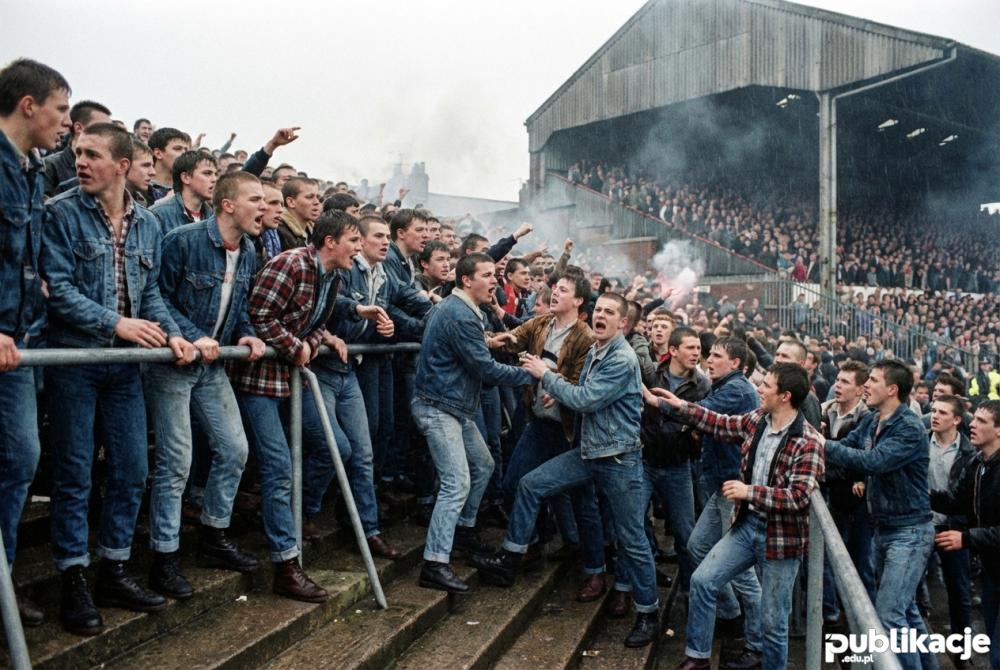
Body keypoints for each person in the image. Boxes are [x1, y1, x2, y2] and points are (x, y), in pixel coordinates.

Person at [41, 122, 196, 635]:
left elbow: (148, 293)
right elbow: (57, 290)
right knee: (75, 471)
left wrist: (171, 333)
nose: (79, 161)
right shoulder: (60, 214)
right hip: (76, 361)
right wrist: (116, 324)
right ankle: (72, 576)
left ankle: (114, 566)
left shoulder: (147, 224)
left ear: (122, 166)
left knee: (132, 468)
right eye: (76, 152)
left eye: (92, 154)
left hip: (126, 367)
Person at [474, 293, 662, 649]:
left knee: (632, 538)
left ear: (623, 323)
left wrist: (547, 377)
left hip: (619, 460)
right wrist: (559, 386)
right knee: (531, 484)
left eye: (610, 313)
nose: (601, 317)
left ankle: (648, 612)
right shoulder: (596, 350)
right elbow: (579, 390)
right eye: (600, 311)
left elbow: (587, 399)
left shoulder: (621, 358)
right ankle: (512, 556)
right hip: (590, 452)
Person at [228, 209, 371, 603]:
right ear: (330, 242)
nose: (358, 249)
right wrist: (297, 348)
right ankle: (286, 564)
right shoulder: (290, 264)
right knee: (277, 465)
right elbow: (258, 315)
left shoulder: (334, 277)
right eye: (353, 241)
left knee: (336, 448)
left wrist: (323, 337)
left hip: (291, 380)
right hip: (260, 380)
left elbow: (308, 321)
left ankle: (295, 515)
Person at [145, 172, 269, 599]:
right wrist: (191, 333)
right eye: (255, 199)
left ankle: (214, 537)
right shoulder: (183, 240)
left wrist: (248, 333)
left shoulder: (250, 250)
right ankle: (164, 556)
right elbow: (154, 295)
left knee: (235, 449)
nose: (264, 208)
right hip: (173, 362)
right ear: (228, 205)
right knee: (177, 460)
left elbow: (239, 308)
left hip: (212, 366)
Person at [656, 363, 823, 670]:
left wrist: (750, 492)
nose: (759, 389)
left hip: (780, 540)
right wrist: (679, 406)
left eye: (767, 386)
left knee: (774, 623)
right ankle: (698, 657)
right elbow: (720, 423)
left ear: (785, 396)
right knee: (703, 581)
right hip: (747, 527)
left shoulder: (808, 441)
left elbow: (798, 496)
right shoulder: (758, 420)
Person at [411, 253, 534, 594]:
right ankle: (434, 563)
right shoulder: (459, 314)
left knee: (483, 464)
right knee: (456, 481)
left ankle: (463, 532)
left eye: (495, 274)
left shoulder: (462, 309)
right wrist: (532, 376)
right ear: (466, 280)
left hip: (454, 405)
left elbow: (471, 351)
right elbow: (486, 370)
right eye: (487, 275)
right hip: (439, 407)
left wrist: (494, 343)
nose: (494, 281)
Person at [0, 57, 72, 629]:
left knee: (22, 458)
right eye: (61, 109)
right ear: (30, 105)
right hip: (3, 338)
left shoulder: (27, 168)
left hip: (20, 342)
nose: (65, 123)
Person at [488, 274, 601, 602]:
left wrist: (556, 384)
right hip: (539, 424)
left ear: (578, 301)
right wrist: (490, 339)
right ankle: (530, 545)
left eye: (563, 291)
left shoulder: (585, 337)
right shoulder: (541, 325)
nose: (555, 295)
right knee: (512, 485)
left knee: (583, 502)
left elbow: (585, 381)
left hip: (570, 430)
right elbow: (513, 338)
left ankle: (594, 570)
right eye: (555, 289)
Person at [823, 360, 938, 670]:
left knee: (889, 617)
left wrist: (821, 444)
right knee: (907, 612)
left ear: (892, 389)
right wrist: (815, 443)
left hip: (909, 533)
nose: (866, 385)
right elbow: (846, 446)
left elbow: (873, 461)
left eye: (872, 380)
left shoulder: (909, 427)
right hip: (885, 529)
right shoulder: (873, 420)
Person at [684, 337, 763, 650]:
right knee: (698, 546)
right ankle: (730, 613)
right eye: (709, 355)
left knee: (744, 575)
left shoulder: (737, 389)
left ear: (735, 364)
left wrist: (663, 404)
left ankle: (757, 639)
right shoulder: (723, 385)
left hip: (734, 489)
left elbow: (701, 413)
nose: (709, 360)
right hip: (721, 486)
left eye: (717, 356)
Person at [624, 326, 709, 605]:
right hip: (645, 463)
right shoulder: (652, 375)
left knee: (686, 535)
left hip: (678, 466)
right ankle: (628, 591)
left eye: (698, 348)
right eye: (690, 347)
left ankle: (688, 590)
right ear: (673, 351)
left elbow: (699, 421)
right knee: (632, 525)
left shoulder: (702, 385)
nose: (696, 353)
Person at [932, 400, 1000, 670]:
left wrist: (966, 538)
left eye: (982, 421)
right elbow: (954, 501)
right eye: (975, 419)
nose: (973, 424)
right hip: (992, 570)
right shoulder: (977, 463)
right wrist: (917, 495)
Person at [819, 360, 875, 625]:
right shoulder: (825, 411)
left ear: (860, 390)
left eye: (844, 382)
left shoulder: (866, 419)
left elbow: (858, 460)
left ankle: (865, 624)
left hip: (856, 503)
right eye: (837, 380)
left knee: (860, 564)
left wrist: (827, 473)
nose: (837, 385)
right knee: (831, 559)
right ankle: (837, 614)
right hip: (833, 497)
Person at [926, 395, 976, 645]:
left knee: (959, 590)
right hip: (923, 525)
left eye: (943, 413)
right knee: (910, 584)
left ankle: (961, 646)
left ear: (957, 419)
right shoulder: (921, 441)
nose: (935, 416)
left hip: (953, 528)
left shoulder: (970, 452)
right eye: (933, 410)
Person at [42, 99, 111, 196]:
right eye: (101, 128)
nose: (110, 134)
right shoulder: (48, 167)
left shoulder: (107, 166)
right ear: (79, 128)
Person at [149, 149, 217, 233]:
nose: (214, 179)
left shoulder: (213, 218)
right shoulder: (157, 215)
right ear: (186, 177)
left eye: (216, 174)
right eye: (207, 173)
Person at [147, 127, 191, 202]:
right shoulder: (142, 188)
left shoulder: (189, 190)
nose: (184, 153)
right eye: (177, 148)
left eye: (186, 150)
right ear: (158, 153)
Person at [276, 177, 320, 250]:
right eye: (309, 197)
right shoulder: (279, 233)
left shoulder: (315, 232)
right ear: (291, 202)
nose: (316, 202)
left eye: (317, 197)